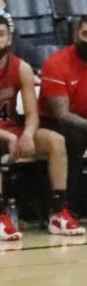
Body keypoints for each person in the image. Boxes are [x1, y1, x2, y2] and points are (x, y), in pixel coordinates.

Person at [0, 14, 71, 239]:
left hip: (11, 130)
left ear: (9, 38)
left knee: (56, 141)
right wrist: (9, 136)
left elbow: (32, 114)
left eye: (1, 34)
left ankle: (58, 212)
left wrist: (28, 134)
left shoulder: (21, 67)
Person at [38, 19, 87, 234]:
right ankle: (63, 210)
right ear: (76, 35)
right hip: (55, 123)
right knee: (75, 138)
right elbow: (62, 114)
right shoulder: (57, 63)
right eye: (86, 34)